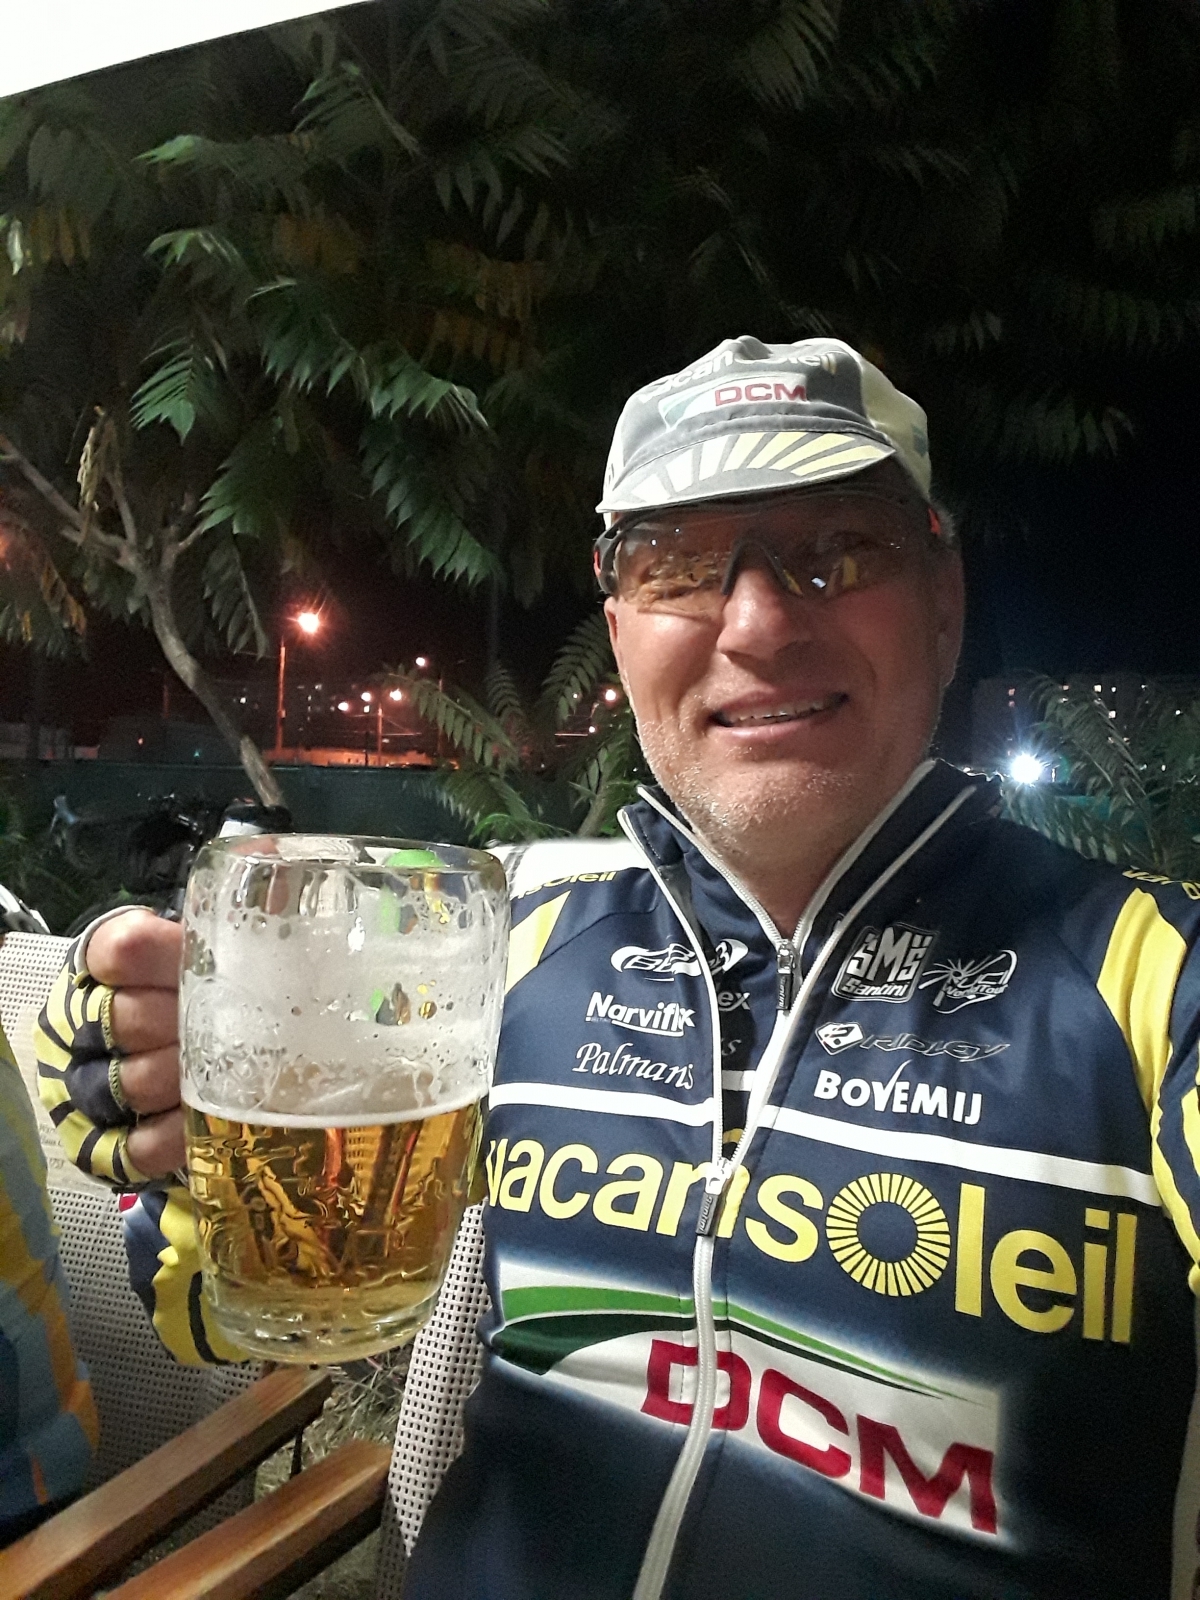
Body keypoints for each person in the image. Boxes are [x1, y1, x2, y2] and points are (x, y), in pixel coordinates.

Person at [33, 335, 1200, 1599]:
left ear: (944, 598)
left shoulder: (1149, 981)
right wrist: (158, 1085)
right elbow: (209, 1313)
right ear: (619, 630)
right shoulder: (498, 942)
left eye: (838, 549)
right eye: (678, 565)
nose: (758, 623)